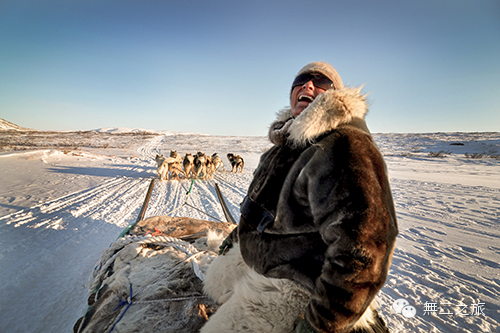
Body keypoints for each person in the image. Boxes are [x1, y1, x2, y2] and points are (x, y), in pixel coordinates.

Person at [201, 61, 398, 333]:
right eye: (302, 79)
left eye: (321, 81)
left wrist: (319, 325)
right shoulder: (285, 147)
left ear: (334, 95)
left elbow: (364, 250)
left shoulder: (342, 146)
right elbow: (260, 211)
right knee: (213, 281)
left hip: (298, 285)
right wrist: (235, 237)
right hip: (267, 261)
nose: (308, 85)